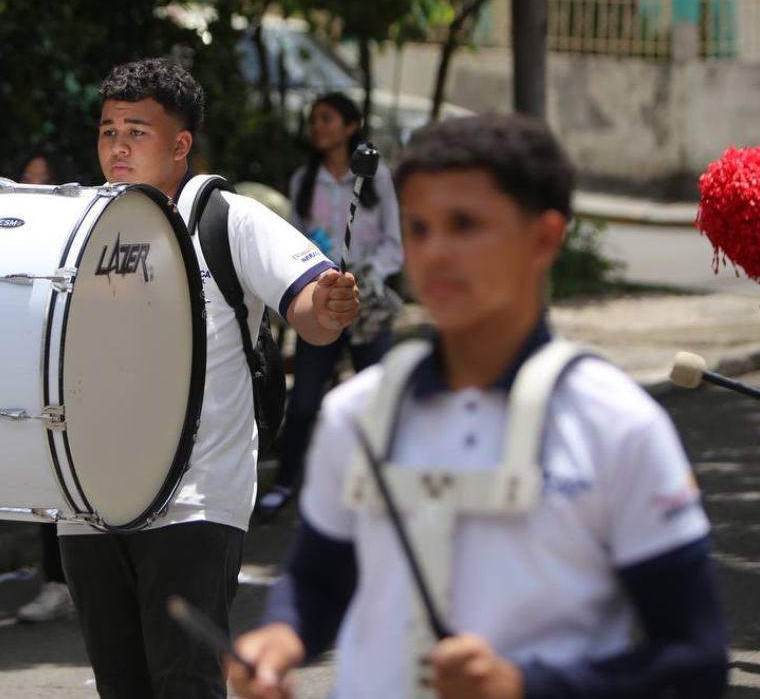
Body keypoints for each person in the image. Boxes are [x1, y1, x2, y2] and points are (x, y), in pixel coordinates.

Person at [227, 113, 729, 699]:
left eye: (465, 225)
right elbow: (316, 582)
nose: (435, 253)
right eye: (418, 228)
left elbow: (694, 661)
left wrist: (524, 685)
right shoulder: (356, 413)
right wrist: (281, 638)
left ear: (544, 238)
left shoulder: (618, 425)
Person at [57, 57, 361, 698]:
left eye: (136, 131)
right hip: (87, 504)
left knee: (187, 684)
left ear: (180, 145)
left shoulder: (229, 219)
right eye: (108, 129)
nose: (116, 145)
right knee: (122, 687)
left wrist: (327, 307)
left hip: (194, 502)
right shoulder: (73, 226)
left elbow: (307, 307)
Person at [255, 92, 402, 519]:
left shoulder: (377, 178)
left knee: (377, 398)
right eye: (313, 119)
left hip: (368, 306)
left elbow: (394, 242)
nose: (317, 126)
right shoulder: (304, 180)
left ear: (351, 126)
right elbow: (294, 245)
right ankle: (286, 482)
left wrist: (372, 271)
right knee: (302, 402)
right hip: (323, 303)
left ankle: (380, 487)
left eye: (327, 118)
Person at [15, 148, 80, 623]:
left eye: (45, 180)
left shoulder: (78, 234)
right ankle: (55, 582)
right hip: (32, 373)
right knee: (44, 475)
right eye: (26, 179)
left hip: (77, 373)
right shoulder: (8, 237)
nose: (34, 188)